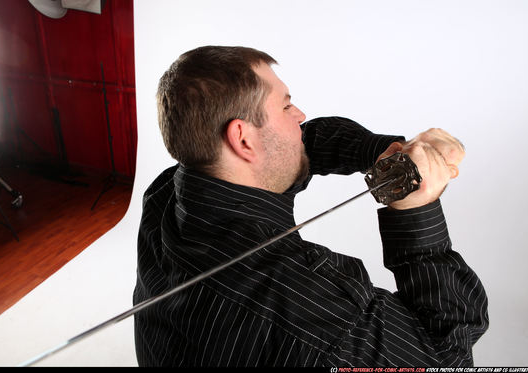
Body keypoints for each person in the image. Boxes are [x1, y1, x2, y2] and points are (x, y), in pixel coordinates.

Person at [133, 46, 488, 367]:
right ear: (243, 138)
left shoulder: (169, 192)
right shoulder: (321, 321)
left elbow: (301, 144)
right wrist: (415, 212)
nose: (299, 114)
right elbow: (447, 353)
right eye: (286, 106)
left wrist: (385, 155)